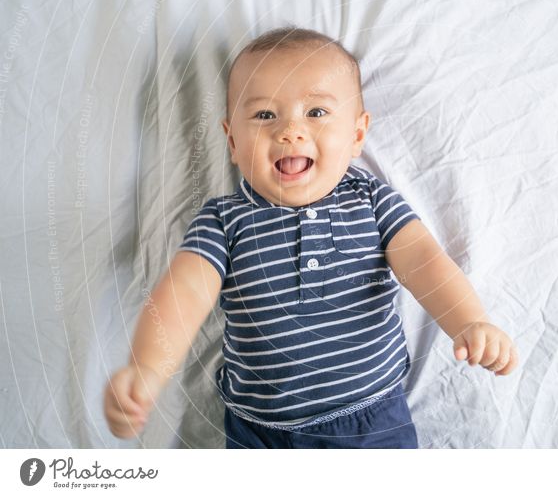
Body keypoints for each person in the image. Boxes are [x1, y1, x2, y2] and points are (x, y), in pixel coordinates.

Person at [104, 27, 518, 448]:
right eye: (265, 115)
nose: (290, 131)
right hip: (261, 433)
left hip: (371, 420)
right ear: (232, 140)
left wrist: (468, 320)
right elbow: (185, 291)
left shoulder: (371, 202)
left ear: (357, 135)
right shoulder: (224, 221)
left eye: (316, 113)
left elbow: (425, 262)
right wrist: (148, 370)